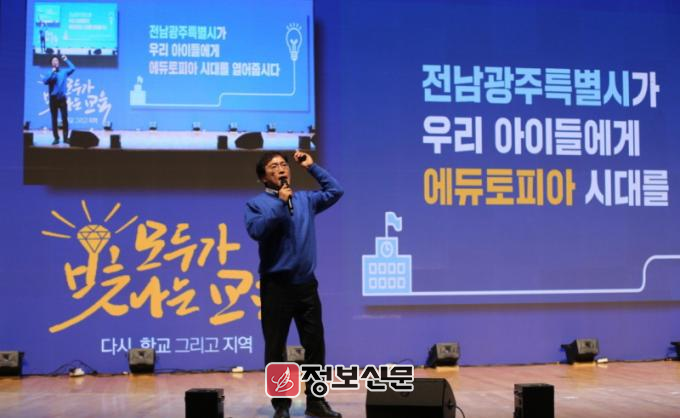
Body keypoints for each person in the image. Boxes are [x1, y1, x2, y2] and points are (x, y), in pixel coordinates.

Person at [245, 151, 344, 418]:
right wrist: (280, 204)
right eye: (273, 166)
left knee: (315, 345)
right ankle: (282, 405)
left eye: (283, 165)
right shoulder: (256, 204)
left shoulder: (305, 200)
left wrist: (312, 167)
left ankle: (316, 401)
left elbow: (336, 191)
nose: (281, 169)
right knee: (276, 347)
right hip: (276, 287)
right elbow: (256, 231)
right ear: (263, 177)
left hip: (306, 286)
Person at [43, 55, 75, 145]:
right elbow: (45, 81)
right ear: (51, 64)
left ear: (59, 62)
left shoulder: (64, 72)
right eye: (53, 61)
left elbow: (73, 68)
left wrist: (66, 60)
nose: (55, 62)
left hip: (62, 99)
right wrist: (52, 72)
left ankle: (65, 138)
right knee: (54, 119)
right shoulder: (49, 73)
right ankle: (56, 138)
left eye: (56, 60)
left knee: (64, 118)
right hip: (53, 99)